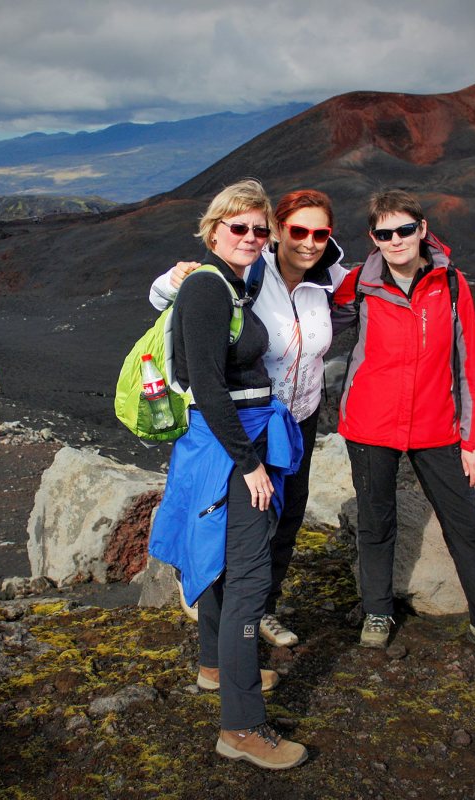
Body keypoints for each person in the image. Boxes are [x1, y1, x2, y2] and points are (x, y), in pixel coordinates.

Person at [332, 189, 475, 665]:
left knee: (465, 525)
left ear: (422, 229)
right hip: (369, 424)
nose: (396, 240)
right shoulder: (360, 283)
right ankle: (377, 612)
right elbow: (310, 320)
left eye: (405, 229)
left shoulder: (452, 284)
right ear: (373, 238)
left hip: (435, 426)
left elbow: (469, 365)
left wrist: (472, 440)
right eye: (385, 233)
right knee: (376, 523)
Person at [148, 179, 308, 769]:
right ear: (213, 230)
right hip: (232, 447)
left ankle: (215, 666)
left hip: (227, 442)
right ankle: (241, 729)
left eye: (259, 229)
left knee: (220, 563)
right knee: (247, 575)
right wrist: (251, 465)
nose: (250, 237)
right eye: (238, 226)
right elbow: (211, 388)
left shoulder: (238, 282)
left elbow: (322, 255)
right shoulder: (209, 290)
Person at [150, 189, 347, 648]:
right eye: (297, 231)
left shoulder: (329, 279)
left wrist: (426, 249)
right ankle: (226, 613)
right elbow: (171, 300)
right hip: (249, 420)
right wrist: (170, 279)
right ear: (278, 234)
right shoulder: (251, 272)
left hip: (300, 416)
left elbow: (386, 269)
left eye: (320, 233)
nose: (309, 242)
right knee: (247, 525)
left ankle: (264, 609)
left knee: (288, 516)